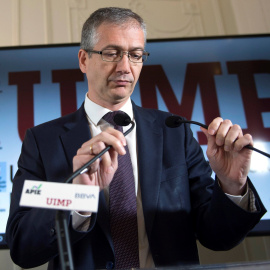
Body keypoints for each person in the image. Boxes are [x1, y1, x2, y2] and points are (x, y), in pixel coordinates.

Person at [6, 7, 266, 270]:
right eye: (111, 53)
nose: (125, 67)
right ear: (84, 60)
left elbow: (217, 237)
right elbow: (21, 247)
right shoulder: (43, 141)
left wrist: (233, 185)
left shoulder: (174, 131)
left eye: (135, 55)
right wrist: (76, 198)